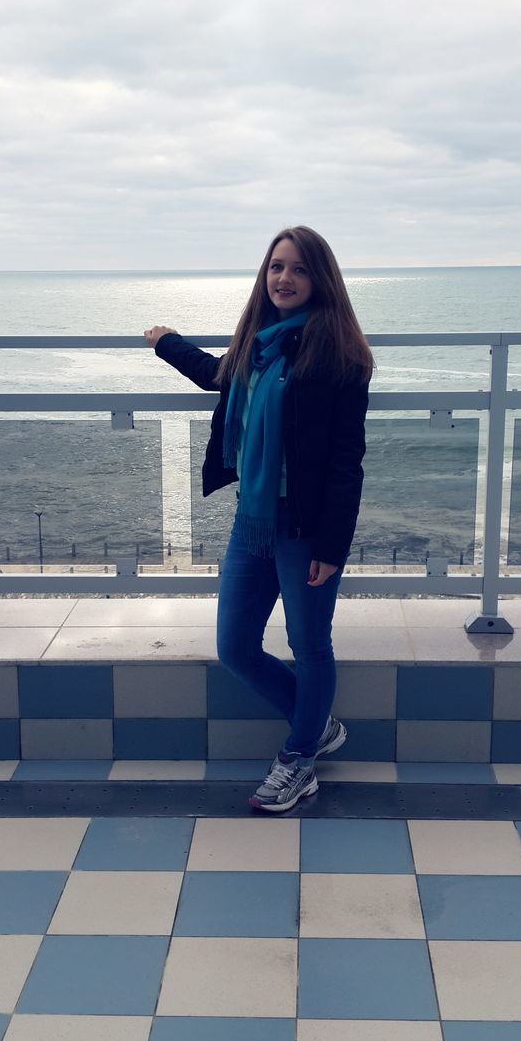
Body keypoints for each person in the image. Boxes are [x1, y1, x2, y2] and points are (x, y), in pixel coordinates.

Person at [144, 225, 374, 812]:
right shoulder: (258, 344)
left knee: (309, 644)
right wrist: (166, 342)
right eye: (276, 267)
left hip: (305, 527)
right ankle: (316, 724)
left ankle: (299, 759)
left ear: (319, 278)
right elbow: (217, 376)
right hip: (252, 520)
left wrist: (332, 545)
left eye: (298, 269)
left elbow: (348, 460)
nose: (284, 279)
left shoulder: (340, 355)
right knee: (236, 647)